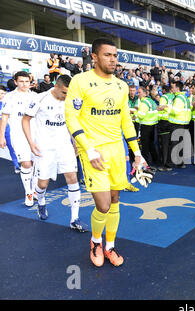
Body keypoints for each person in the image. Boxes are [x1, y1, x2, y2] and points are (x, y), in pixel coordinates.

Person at [65, 38, 146, 268]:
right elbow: (71, 117)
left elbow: (125, 121)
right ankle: (95, 242)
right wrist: (87, 148)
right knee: (102, 205)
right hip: (93, 151)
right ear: (94, 56)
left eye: (115, 55)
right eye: (108, 55)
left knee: (114, 200)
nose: (113, 59)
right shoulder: (80, 81)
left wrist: (136, 151)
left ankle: (109, 246)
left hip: (116, 151)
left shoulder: (121, 85)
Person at [21, 75, 88, 231]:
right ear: (56, 87)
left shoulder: (71, 100)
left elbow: (71, 122)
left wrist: (74, 141)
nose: (67, 96)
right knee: (43, 183)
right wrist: (31, 143)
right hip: (44, 147)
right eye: (64, 92)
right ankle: (41, 202)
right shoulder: (40, 98)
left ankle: (74, 218)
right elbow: (25, 120)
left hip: (64, 146)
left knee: (72, 177)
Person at [0, 71, 38, 206]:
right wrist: (1, 136)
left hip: (35, 135)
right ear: (15, 82)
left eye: (27, 81)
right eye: (21, 81)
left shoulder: (35, 96)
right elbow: (4, 117)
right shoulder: (9, 97)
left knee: (34, 164)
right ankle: (28, 192)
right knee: (26, 163)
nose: (24, 84)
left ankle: (34, 190)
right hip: (18, 135)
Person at [168, 80, 191, 168]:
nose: (171, 89)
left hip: (177, 122)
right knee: (180, 144)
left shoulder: (179, 98)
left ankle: (170, 164)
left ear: (177, 88)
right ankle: (180, 163)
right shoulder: (184, 97)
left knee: (173, 144)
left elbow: (175, 111)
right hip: (184, 123)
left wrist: (166, 108)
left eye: (173, 87)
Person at [136, 86, 159, 168]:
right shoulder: (151, 101)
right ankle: (156, 161)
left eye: (139, 92)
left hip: (146, 126)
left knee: (145, 146)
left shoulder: (144, 102)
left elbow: (141, 115)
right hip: (153, 125)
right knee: (151, 145)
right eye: (137, 92)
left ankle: (145, 163)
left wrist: (135, 112)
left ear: (144, 93)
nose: (137, 94)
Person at [0, 85, 20, 173]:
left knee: (12, 147)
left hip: (6, 127)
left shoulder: (9, 103)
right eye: (0, 93)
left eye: (4, 93)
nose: (2, 95)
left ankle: (17, 165)